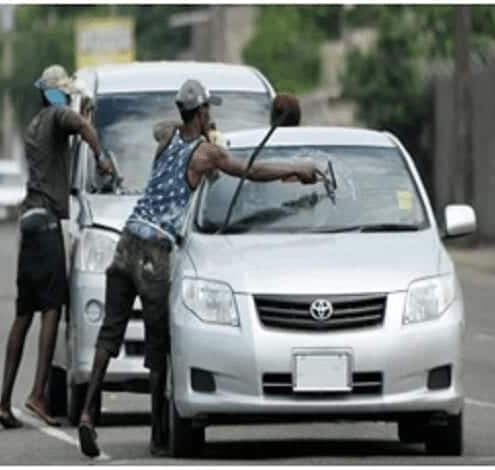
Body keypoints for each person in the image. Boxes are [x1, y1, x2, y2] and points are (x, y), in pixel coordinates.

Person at [77, 79, 319, 458]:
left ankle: (89, 412)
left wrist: (191, 127)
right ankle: (158, 434)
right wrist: (296, 169)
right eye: (210, 110)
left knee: (110, 333)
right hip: (155, 251)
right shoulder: (206, 154)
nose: (212, 116)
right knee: (158, 347)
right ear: (202, 111)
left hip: (125, 242)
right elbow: (251, 171)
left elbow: (163, 128)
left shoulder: (166, 142)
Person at [0, 65, 111, 429]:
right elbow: (80, 126)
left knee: (23, 314)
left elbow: (70, 131)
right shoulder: (59, 115)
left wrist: (82, 113)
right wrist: (102, 156)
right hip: (46, 227)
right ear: (56, 94)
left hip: (28, 224)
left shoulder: (34, 125)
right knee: (52, 309)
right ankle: (38, 394)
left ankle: (3, 401)